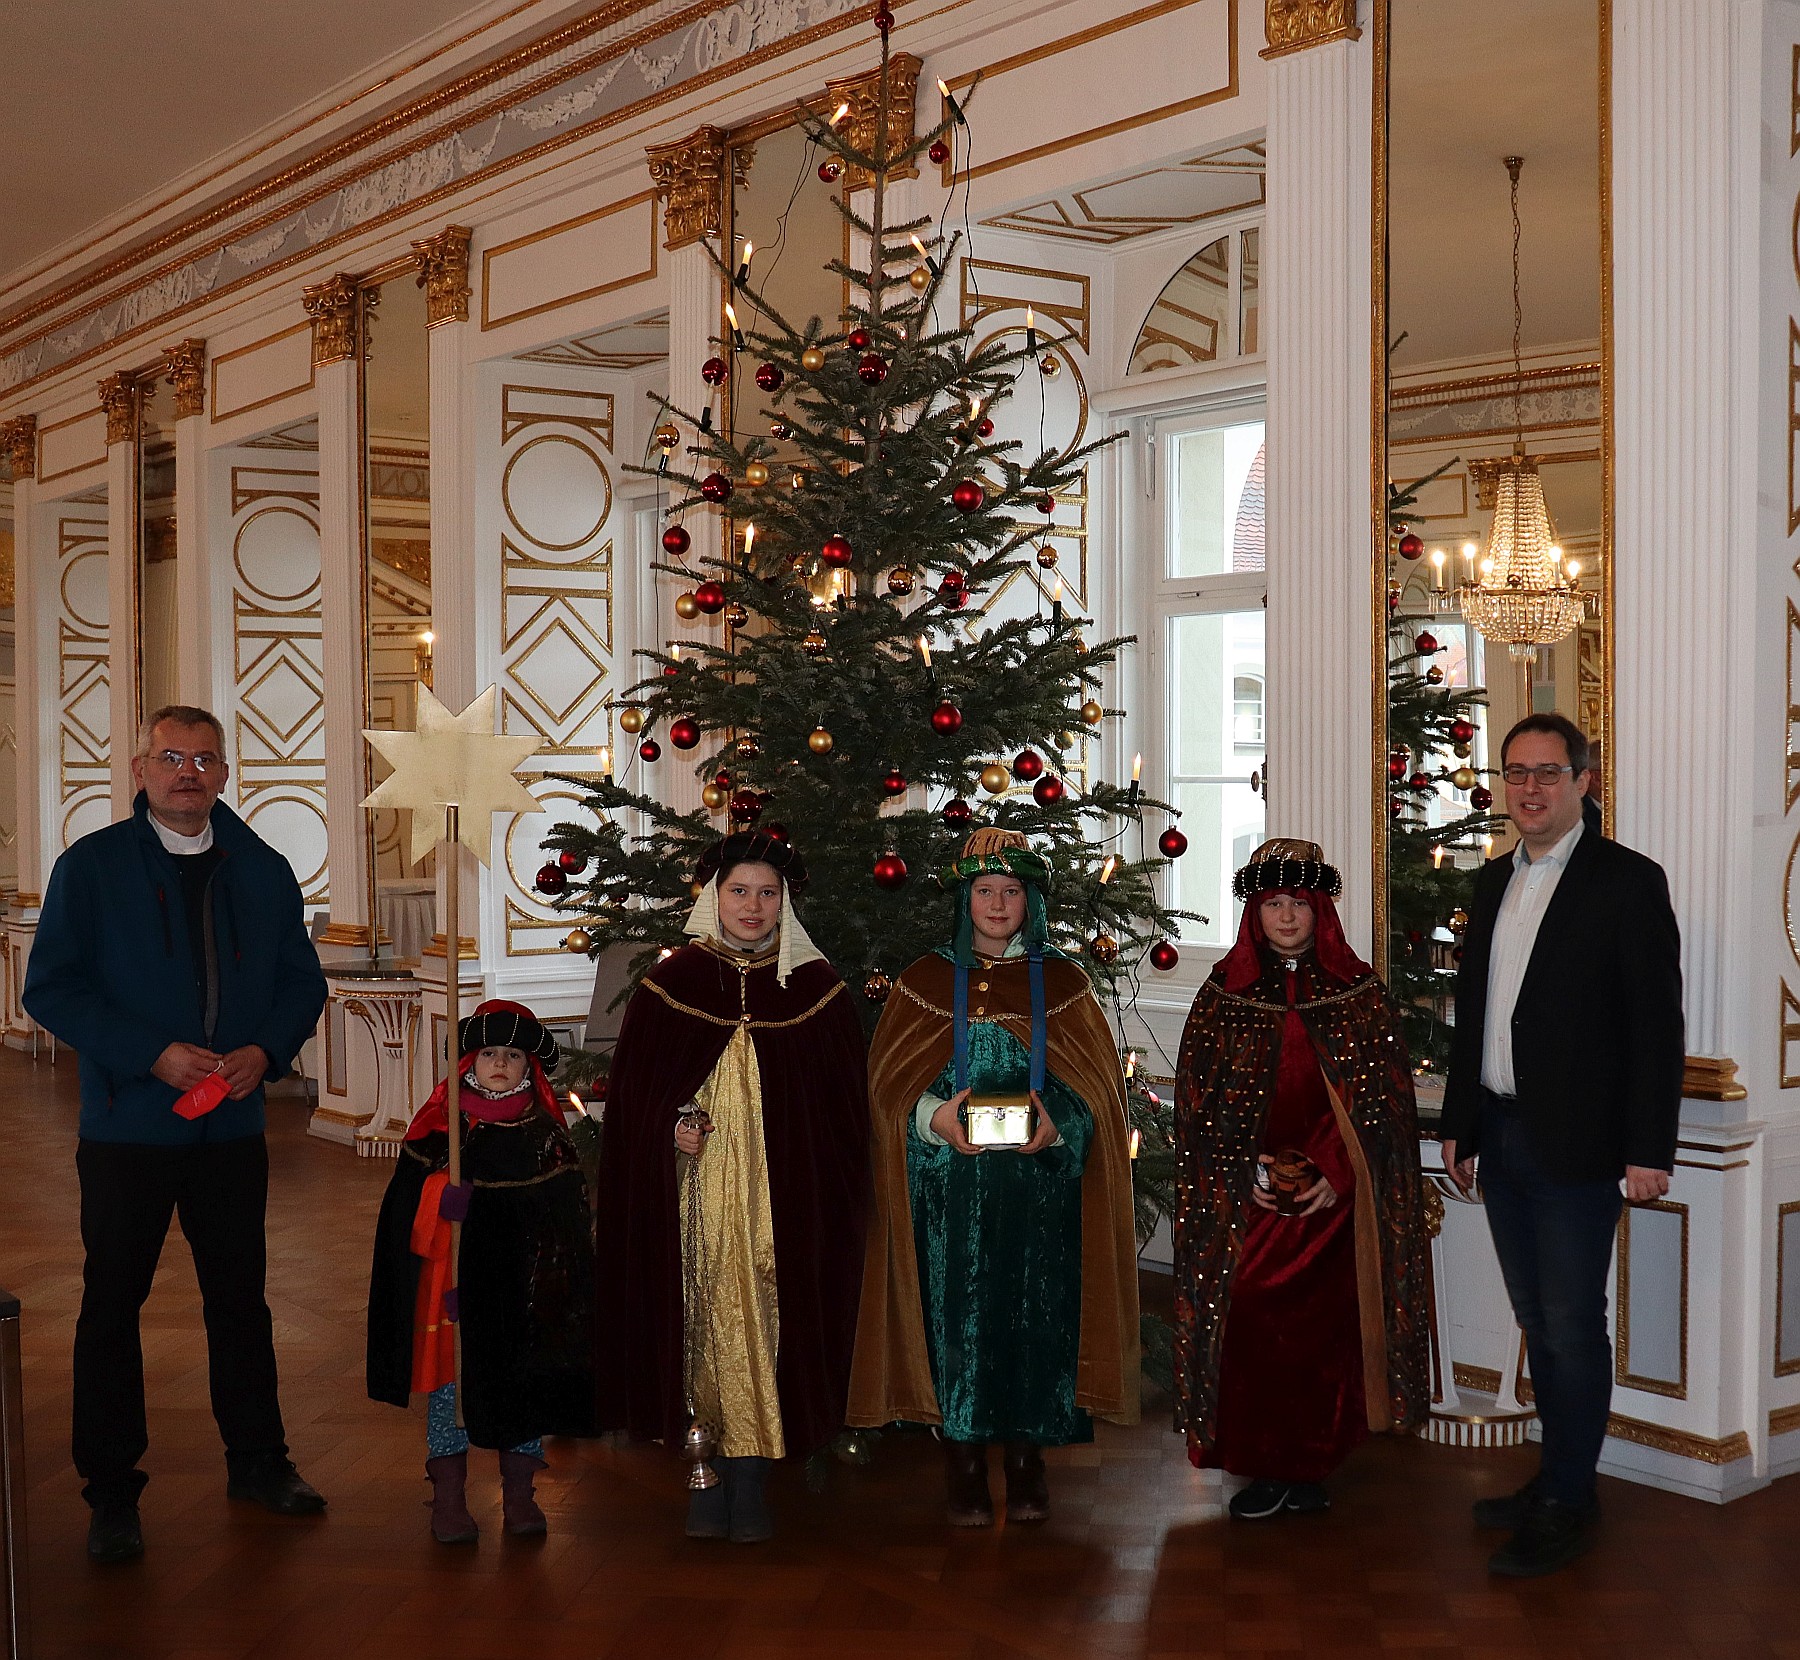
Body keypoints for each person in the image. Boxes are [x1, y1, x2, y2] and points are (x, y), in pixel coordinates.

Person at [23, 704, 329, 1563]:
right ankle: (111, 1490)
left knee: (241, 1302)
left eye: (203, 760)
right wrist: (149, 1053)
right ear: (139, 769)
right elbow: (49, 989)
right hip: (127, 1129)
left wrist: (264, 1052)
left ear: (225, 774)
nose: (187, 773)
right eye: (170, 758)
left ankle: (260, 1462)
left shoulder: (263, 869)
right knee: (111, 1308)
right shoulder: (91, 868)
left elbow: (300, 985)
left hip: (230, 1129)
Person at [1442, 713, 1683, 1578]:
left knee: (1574, 1326)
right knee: (1538, 1320)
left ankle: (1569, 1500)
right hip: (1502, 1137)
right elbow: (1477, 1017)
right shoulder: (1489, 883)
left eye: (1548, 772)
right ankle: (1558, 1475)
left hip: (1581, 1150)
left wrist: (1648, 1147)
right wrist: (1461, 1126)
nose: (1531, 789)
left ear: (1583, 782)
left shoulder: (1628, 882)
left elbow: (1656, 1029)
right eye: (1516, 774)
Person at [848, 828, 1139, 1526]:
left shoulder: (1066, 984)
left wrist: (1057, 1125)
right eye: (985, 891)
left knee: (1038, 1320)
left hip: (1040, 1193)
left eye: (1012, 891)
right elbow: (885, 1089)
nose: (999, 903)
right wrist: (932, 1119)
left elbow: (1097, 1090)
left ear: (1031, 900)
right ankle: (964, 1461)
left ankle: (1028, 1458)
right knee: (955, 1322)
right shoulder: (922, 983)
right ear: (965, 899)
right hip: (947, 1188)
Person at [594, 832, 869, 1543]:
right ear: (712, 896)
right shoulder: (671, 986)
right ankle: (704, 1473)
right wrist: (668, 1129)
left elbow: (840, 1116)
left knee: (773, 1316)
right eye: (739, 891)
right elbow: (632, 1110)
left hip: (785, 1207)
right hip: (695, 1204)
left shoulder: (817, 991)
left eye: (768, 893)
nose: (753, 906)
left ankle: (752, 1478)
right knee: (703, 1318)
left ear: (787, 902)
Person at [1171, 839, 1430, 1520]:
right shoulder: (1223, 995)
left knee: (1325, 1331)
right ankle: (1262, 1461)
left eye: (1300, 903)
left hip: (1331, 1203)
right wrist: (1247, 1166)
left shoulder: (1358, 994)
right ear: (1255, 911)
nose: (1286, 917)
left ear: (1322, 909)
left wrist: (1336, 1174)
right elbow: (1200, 1105)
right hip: (1247, 1199)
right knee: (1253, 1317)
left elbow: (1383, 1111)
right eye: (1273, 903)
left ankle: (1312, 1461)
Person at [367, 1000, 595, 1544]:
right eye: (488, 1052)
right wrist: (437, 1199)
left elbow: (565, 1218)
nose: (499, 1063)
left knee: (520, 1388)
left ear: (529, 1067)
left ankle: (519, 1495)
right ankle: (448, 1497)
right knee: (451, 1392)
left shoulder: (543, 1135)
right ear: (468, 1061)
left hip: (521, 1294)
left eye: (512, 1055)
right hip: (452, 1294)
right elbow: (402, 1216)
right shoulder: (442, 1129)